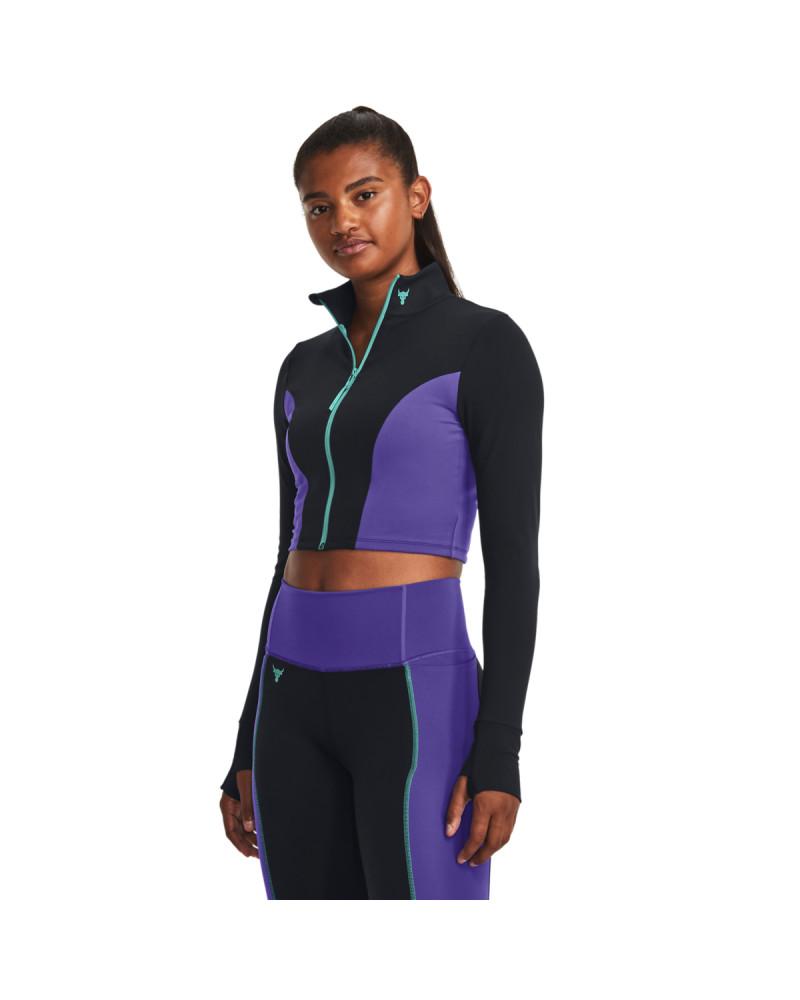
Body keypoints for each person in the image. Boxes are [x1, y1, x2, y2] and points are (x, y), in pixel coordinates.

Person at [218, 106, 544, 900]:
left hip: (415, 690)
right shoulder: (303, 366)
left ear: (417, 196)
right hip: (291, 697)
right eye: (319, 205)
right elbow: (288, 550)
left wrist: (499, 750)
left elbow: (514, 564)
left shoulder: (485, 344)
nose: (342, 221)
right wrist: (246, 738)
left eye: (364, 195)